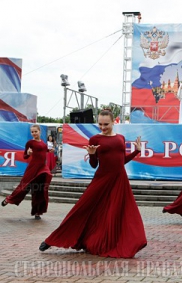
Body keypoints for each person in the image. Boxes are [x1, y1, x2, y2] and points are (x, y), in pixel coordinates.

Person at [39, 109, 147, 258]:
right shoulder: (95, 139)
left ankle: (112, 242)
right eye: (100, 124)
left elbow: (121, 161)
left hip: (119, 180)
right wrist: (91, 154)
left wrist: (136, 151)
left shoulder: (121, 138)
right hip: (102, 179)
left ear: (113, 122)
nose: (103, 127)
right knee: (83, 208)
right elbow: (93, 164)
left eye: (106, 124)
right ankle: (52, 240)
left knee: (119, 212)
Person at [1, 125, 52, 220]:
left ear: (39, 131)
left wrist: (50, 150)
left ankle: (37, 212)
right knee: (23, 186)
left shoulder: (44, 144)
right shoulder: (30, 143)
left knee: (40, 189)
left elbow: (45, 150)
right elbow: (25, 156)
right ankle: (9, 199)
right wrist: (28, 153)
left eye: (35, 131)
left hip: (42, 168)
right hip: (33, 168)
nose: (34, 133)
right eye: (32, 132)